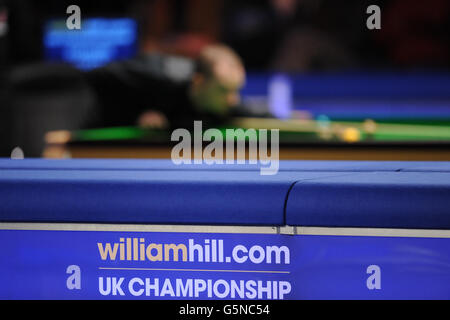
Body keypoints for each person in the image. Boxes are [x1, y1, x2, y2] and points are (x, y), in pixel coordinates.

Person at [84, 44, 253, 131]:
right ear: (199, 82)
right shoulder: (156, 75)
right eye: (224, 90)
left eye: (236, 90)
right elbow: (97, 79)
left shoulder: (224, 103)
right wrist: (137, 114)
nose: (233, 99)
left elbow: (261, 116)